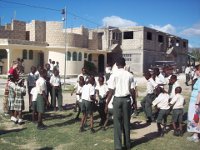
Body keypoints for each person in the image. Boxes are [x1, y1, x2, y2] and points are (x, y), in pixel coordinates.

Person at [105, 57, 135, 150]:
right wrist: (135, 102)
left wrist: (107, 104)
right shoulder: (130, 75)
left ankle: (118, 146)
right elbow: (132, 90)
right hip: (127, 100)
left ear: (117, 65)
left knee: (117, 123)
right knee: (126, 122)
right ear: (125, 64)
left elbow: (110, 91)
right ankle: (127, 144)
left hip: (117, 100)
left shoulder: (113, 75)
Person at [187, 64, 200, 143]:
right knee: (195, 118)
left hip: (195, 102)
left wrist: (197, 104)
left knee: (195, 118)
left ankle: (196, 136)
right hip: (195, 101)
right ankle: (195, 134)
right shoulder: (198, 79)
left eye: (197, 70)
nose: (196, 71)